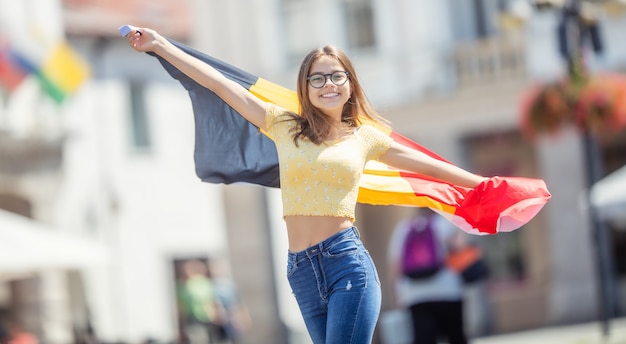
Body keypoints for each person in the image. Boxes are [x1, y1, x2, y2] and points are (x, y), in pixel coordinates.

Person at [124, 28, 487, 344]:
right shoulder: (282, 125)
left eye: (336, 76)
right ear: (305, 86)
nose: (328, 84)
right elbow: (220, 83)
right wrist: (161, 45)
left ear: (350, 84)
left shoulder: (365, 138)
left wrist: (483, 184)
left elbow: (430, 167)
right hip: (300, 270)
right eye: (317, 78)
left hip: (347, 263)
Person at [388, 210, 468, 344]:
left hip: (415, 295)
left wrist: (398, 295)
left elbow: (396, 265)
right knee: (455, 336)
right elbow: (460, 249)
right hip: (448, 291)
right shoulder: (445, 224)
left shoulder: (403, 228)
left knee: (424, 339)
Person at [176, 259, 225, 344]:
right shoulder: (184, 286)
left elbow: (213, 300)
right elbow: (182, 307)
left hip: (207, 317)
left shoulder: (203, 284)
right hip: (194, 318)